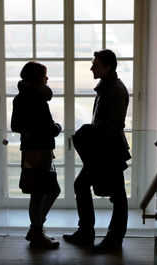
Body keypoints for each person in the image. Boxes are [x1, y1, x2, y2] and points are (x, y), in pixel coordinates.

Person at [63, 49, 131, 252]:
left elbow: (115, 123)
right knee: (93, 188)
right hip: (104, 150)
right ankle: (93, 234)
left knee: (115, 195)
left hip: (109, 151)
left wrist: (87, 129)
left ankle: (106, 236)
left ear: (107, 67)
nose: (91, 67)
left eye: (96, 64)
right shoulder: (108, 87)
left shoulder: (115, 89)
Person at [11, 61, 62, 249]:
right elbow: (47, 128)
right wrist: (56, 128)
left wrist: (30, 130)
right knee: (42, 193)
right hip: (40, 150)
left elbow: (15, 126)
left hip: (32, 150)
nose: (47, 78)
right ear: (37, 77)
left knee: (42, 191)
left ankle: (36, 229)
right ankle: (37, 232)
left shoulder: (21, 97)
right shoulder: (37, 98)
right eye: (44, 75)